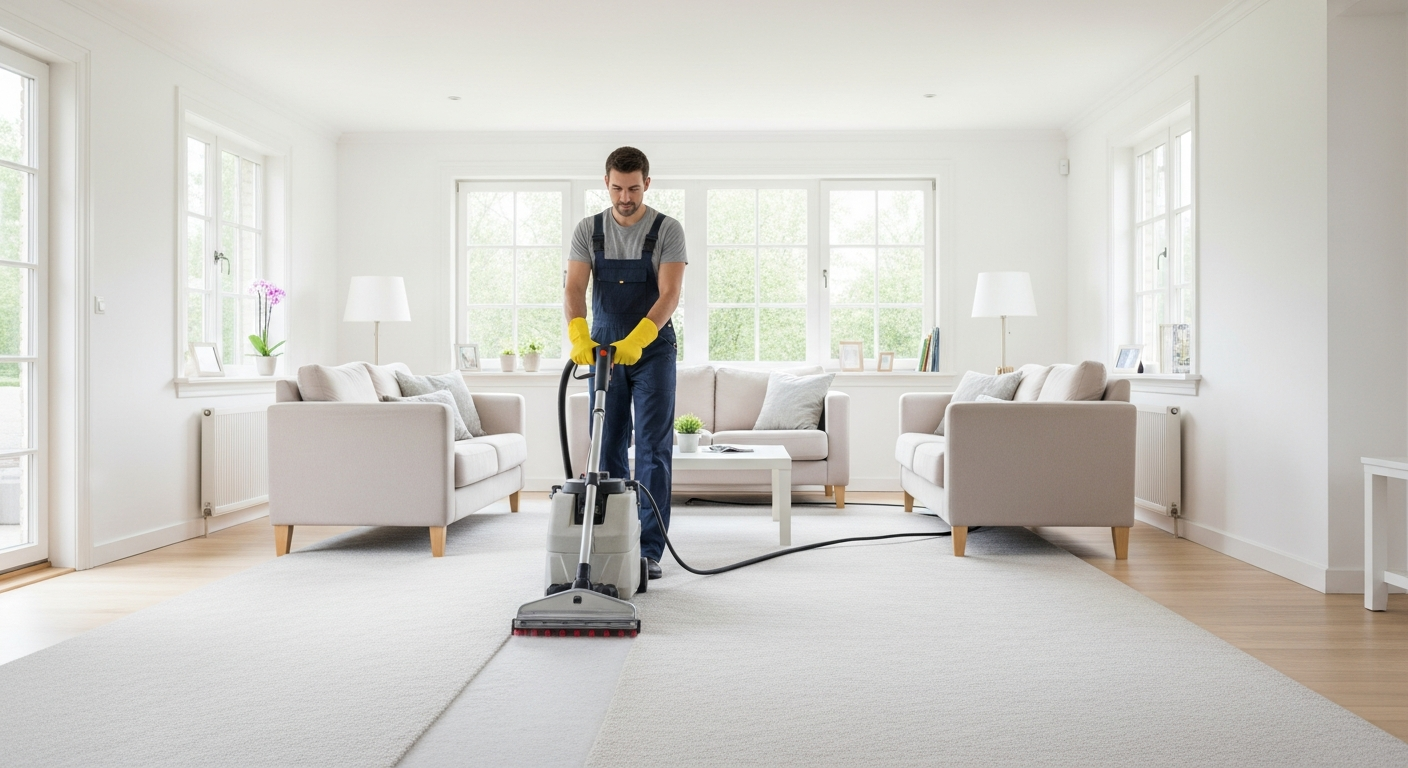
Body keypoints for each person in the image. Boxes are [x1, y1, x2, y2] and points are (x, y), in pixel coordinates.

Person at [565, 147, 686, 580]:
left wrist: (638, 338)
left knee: (653, 448)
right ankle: (614, 540)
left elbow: (670, 293)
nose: (625, 198)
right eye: (617, 188)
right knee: (607, 444)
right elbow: (574, 287)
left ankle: (649, 550)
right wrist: (579, 333)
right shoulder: (588, 229)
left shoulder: (667, 229)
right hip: (603, 349)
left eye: (634, 189)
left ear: (646, 184)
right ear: (606, 183)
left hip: (652, 348)